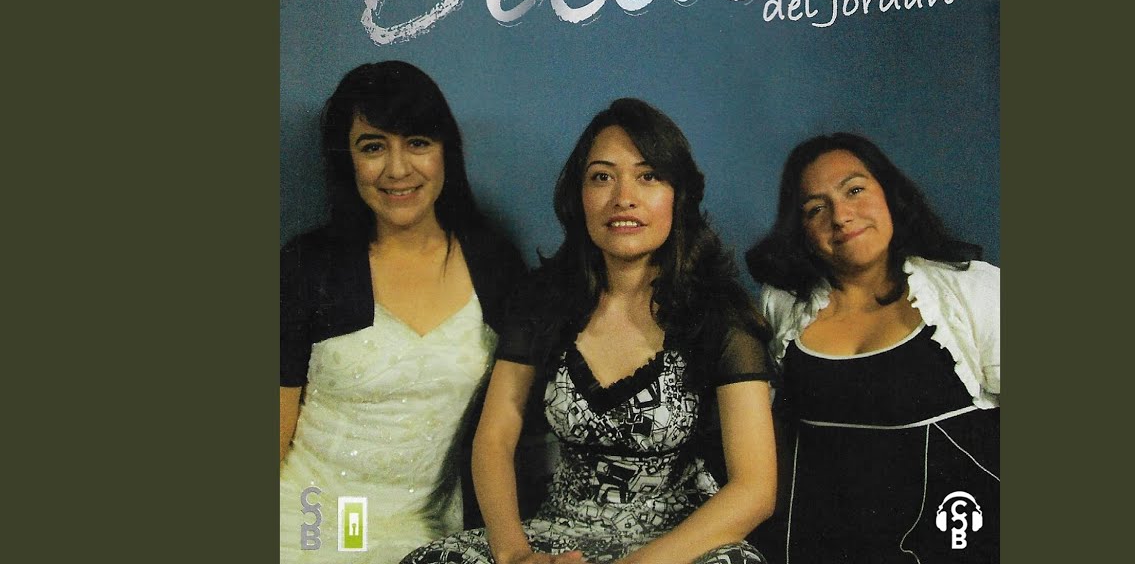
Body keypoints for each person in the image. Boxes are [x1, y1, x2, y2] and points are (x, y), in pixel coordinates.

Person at [401, 98, 776, 564]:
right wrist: (516, 555)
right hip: (559, 534)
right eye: (602, 177)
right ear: (578, 196)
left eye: (648, 176)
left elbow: (755, 489)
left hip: (678, 546)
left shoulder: (720, 315)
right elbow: (494, 438)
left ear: (678, 196)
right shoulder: (543, 301)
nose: (623, 197)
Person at [280, 61, 527, 563]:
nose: (397, 169)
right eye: (373, 147)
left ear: (445, 151)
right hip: (307, 523)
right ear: (347, 160)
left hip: (428, 538)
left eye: (417, 142)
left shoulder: (495, 263)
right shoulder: (308, 265)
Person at [744, 132, 999, 564]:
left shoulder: (970, 288)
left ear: (890, 195)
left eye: (855, 190)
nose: (841, 216)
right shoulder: (782, 305)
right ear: (801, 230)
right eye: (816, 208)